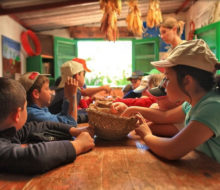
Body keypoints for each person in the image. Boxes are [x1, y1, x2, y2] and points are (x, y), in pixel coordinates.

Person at [125, 39, 220, 162]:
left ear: (187, 81)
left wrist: (146, 135)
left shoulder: (212, 107)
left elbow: (171, 150)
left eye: (167, 78)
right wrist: (133, 109)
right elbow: (165, 116)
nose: (164, 85)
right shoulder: (193, 102)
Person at [0, 77, 95, 174]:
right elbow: (35, 157)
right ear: (17, 115)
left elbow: (40, 126)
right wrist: (78, 145)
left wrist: (73, 131)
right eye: (25, 106)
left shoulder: (8, 131)